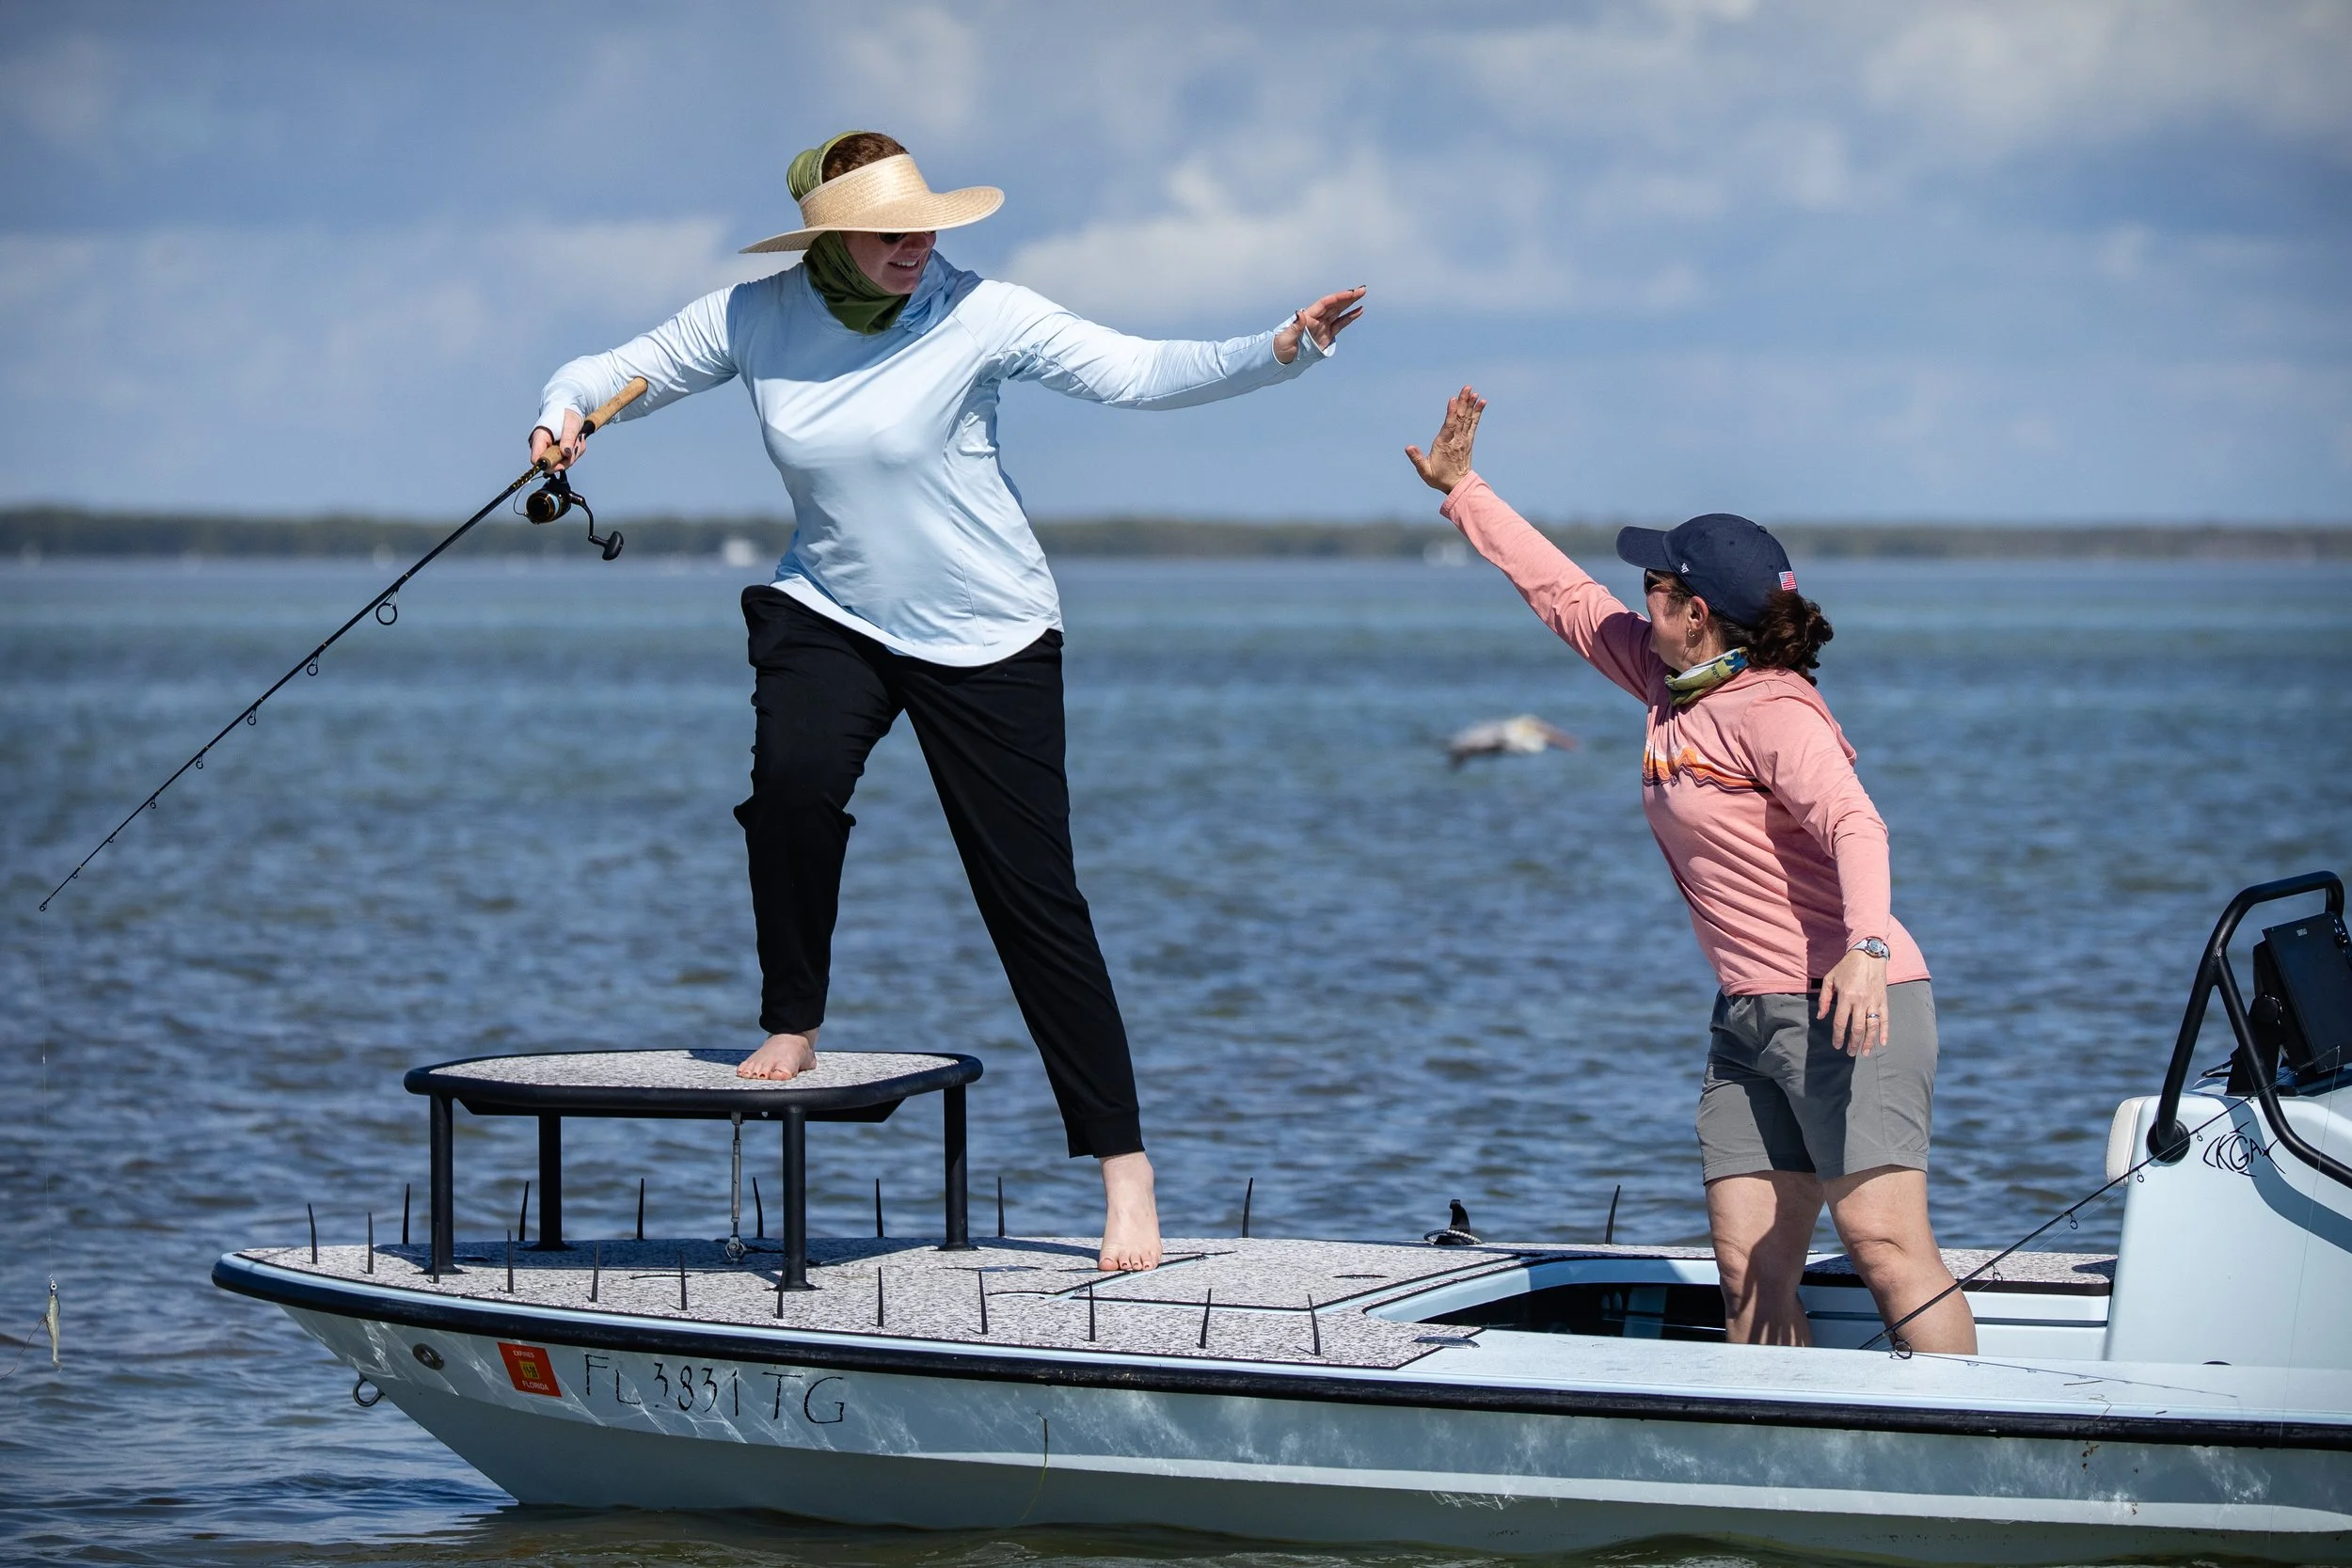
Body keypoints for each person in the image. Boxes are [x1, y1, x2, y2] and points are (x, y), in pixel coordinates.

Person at [530, 132, 1364, 1272]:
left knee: (1032, 896)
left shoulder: (980, 313)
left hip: (987, 631)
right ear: (831, 239)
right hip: (832, 608)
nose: (916, 244)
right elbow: (608, 372)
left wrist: (1282, 347)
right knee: (790, 791)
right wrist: (563, 417)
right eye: (889, 231)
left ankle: (1125, 1168)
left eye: (925, 224)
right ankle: (793, 1018)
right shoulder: (753, 317)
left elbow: (1135, 372)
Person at [1406, 387, 1976, 1353]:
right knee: (1748, 1272)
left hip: (1851, 1005)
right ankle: (1781, 1434)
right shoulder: (1665, 679)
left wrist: (1868, 949)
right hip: (1748, 1019)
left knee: (1886, 1245)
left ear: (1697, 614)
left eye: (1655, 586)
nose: (1640, 597)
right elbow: (1563, 594)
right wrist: (1463, 491)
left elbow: (1858, 824)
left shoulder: (1775, 710)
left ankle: (1972, 1430)